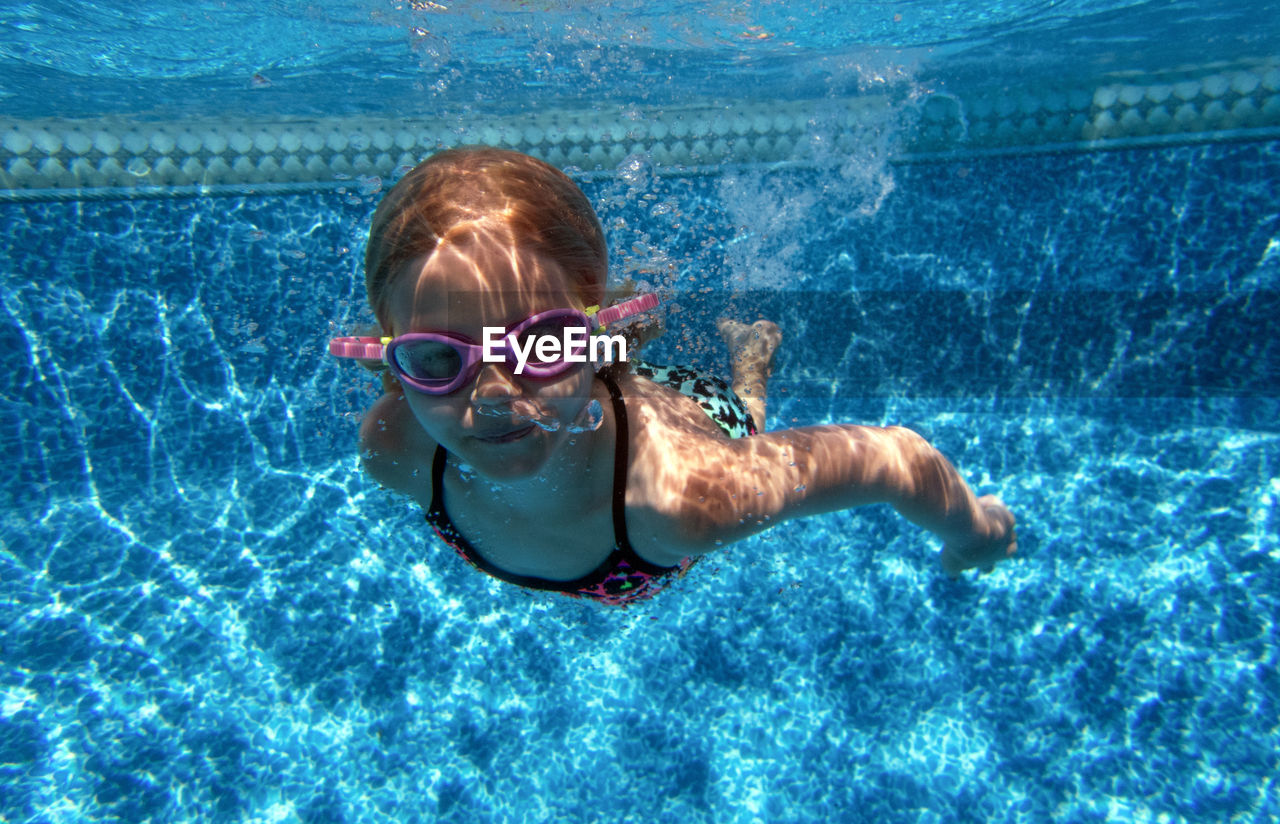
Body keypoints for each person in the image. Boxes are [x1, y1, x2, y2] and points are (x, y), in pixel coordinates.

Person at [332, 148, 1017, 605]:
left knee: (746, 419)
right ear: (392, 353)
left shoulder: (684, 496)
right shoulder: (395, 450)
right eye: (437, 358)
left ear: (594, 328)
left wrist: (978, 533)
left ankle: (750, 363)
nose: (493, 397)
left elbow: (898, 458)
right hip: (598, 396)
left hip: (683, 419)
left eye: (542, 343)